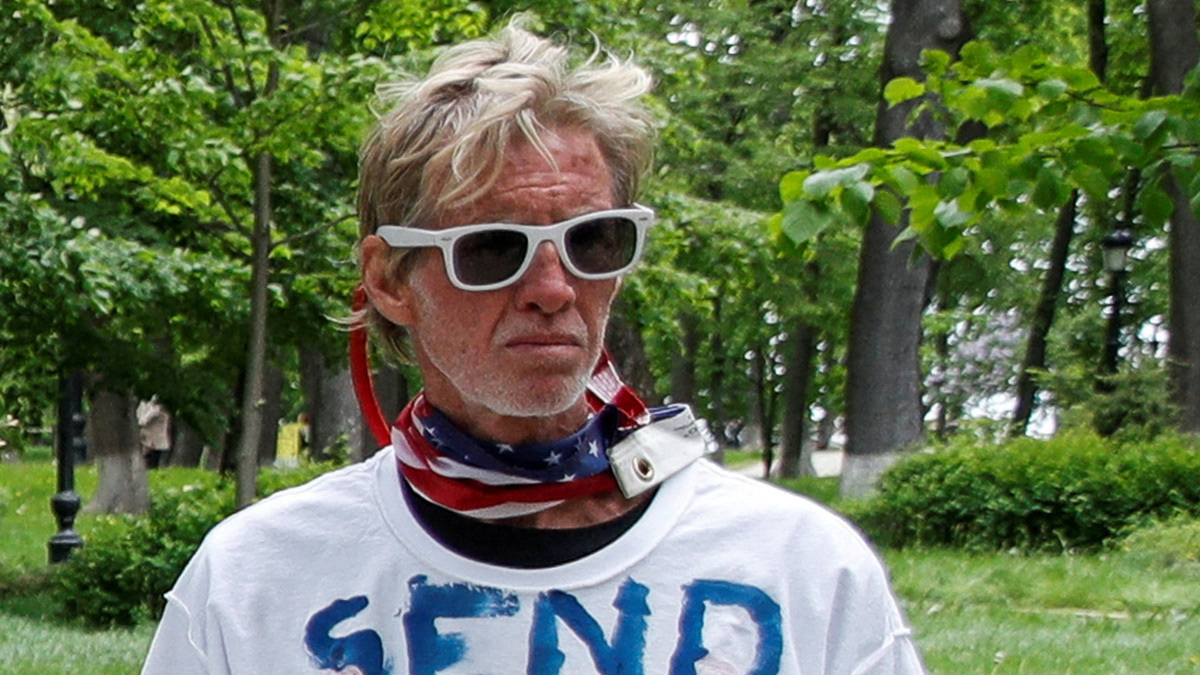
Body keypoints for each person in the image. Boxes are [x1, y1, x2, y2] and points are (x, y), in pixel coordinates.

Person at [143, 19, 925, 675]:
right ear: (388, 279)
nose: (553, 288)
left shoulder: (800, 567)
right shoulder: (254, 581)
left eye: (593, 240)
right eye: (492, 248)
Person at [136, 396, 171, 469]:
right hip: (151, 438)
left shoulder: (157, 410)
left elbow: (143, 421)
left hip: (154, 438)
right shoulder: (152, 408)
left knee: (152, 458)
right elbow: (142, 421)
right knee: (151, 458)